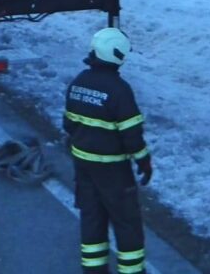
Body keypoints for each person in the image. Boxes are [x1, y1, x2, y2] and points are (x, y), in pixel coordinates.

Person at [64, 28, 152, 274]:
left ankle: (93, 270)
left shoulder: (78, 82)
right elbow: (132, 136)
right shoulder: (119, 90)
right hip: (113, 169)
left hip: (83, 166)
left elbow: (68, 124)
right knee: (127, 224)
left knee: (92, 219)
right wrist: (144, 161)